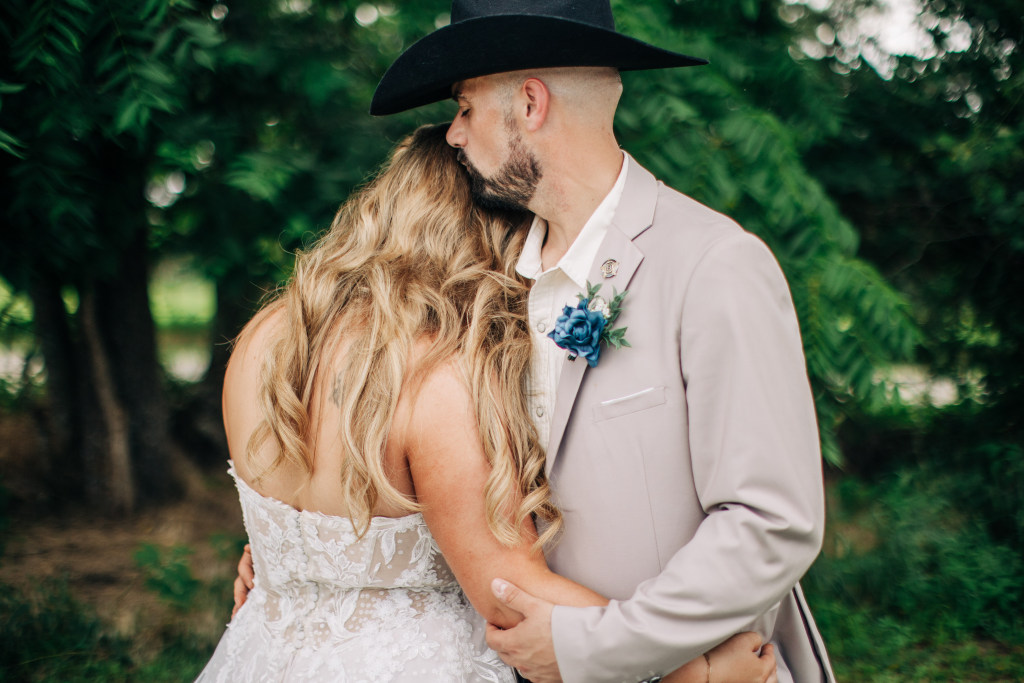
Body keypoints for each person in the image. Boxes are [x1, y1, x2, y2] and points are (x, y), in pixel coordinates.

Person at [203, 124, 776, 682]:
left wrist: (283, 570)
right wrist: (691, 674)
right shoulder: (432, 379)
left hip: (263, 650)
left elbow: (299, 524)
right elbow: (510, 591)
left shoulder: (267, 335)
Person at [369, 2, 837, 682]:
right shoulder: (479, 281)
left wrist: (594, 644)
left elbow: (771, 524)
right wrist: (296, 561)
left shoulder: (712, 263)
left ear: (529, 104)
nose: (456, 136)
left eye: (466, 108)